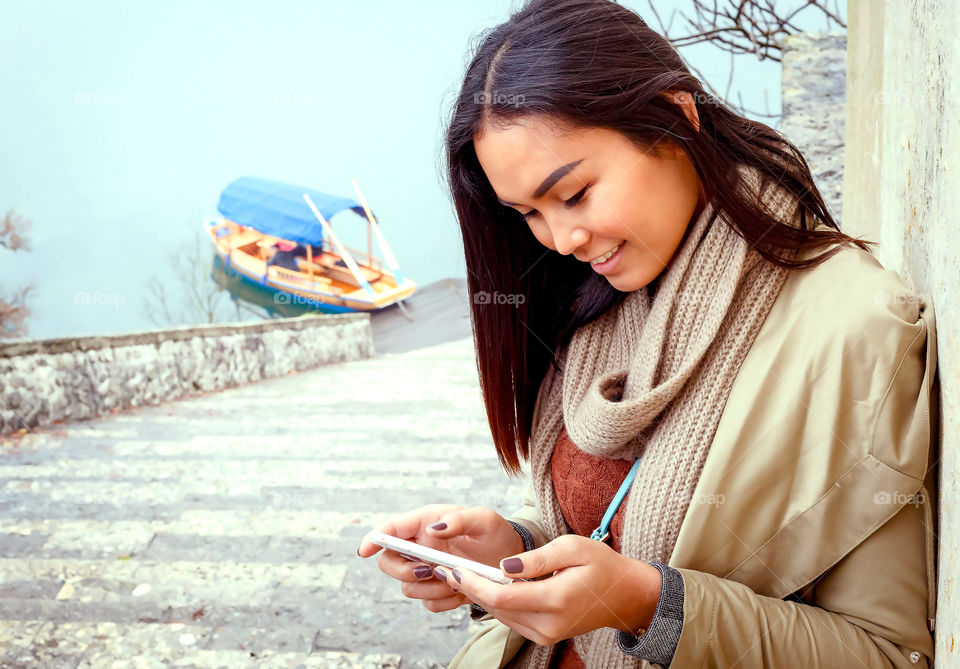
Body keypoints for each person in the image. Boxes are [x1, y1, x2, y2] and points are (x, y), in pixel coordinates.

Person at [357, 0, 939, 667]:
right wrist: (509, 544)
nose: (561, 239)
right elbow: (594, 520)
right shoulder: (599, 297)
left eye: (575, 193)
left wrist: (647, 603)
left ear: (674, 117)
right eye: (529, 213)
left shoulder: (856, 330)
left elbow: (887, 653)